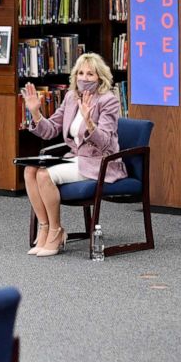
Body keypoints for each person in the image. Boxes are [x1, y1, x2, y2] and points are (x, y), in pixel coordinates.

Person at [20, 52, 125, 257]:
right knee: (30, 170)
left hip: (99, 162)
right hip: (76, 158)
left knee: (44, 174)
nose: (84, 78)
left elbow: (105, 143)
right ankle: (44, 227)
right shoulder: (70, 97)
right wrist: (35, 113)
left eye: (90, 74)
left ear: (100, 78)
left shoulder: (108, 101)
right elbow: (50, 130)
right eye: (81, 73)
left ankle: (56, 231)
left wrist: (89, 122)